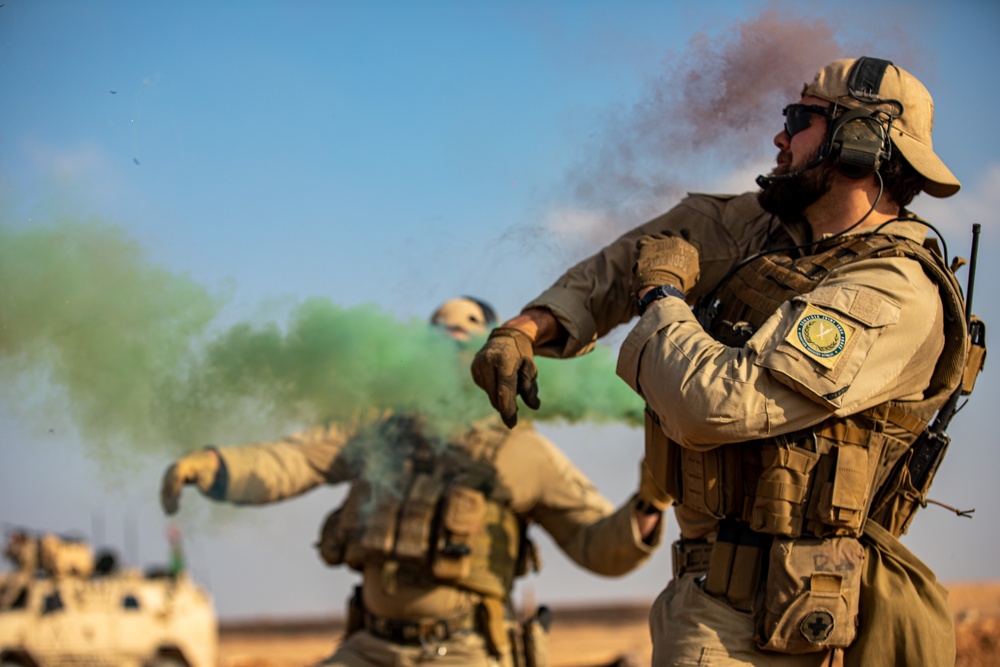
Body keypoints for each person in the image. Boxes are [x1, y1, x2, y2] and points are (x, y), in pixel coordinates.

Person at [471, 57, 985, 666]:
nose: (780, 137)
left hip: (765, 627)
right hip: (710, 599)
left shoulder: (891, 287)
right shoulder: (764, 231)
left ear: (860, 137)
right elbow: (632, 257)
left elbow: (714, 405)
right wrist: (526, 328)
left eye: (800, 119)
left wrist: (660, 297)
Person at [160, 296, 665, 667]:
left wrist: (649, 502)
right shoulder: (380, 428)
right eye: (436, 348)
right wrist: (216, 466)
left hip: (465, 652)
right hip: (369, 647)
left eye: (464, 348)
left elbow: (597, 544)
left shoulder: (520, 450)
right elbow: (294, 459)